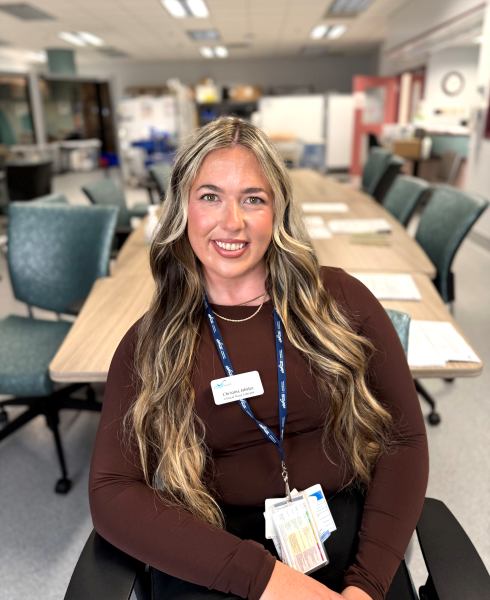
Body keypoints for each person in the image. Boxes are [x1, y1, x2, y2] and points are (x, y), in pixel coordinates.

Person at [89, 117, 429, 600]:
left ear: (278, 210)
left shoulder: (341, 300)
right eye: (210, 196)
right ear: (182, 208)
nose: (233, 221)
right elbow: (111, 491)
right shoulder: (152, 340)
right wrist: (270, 581)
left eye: (253, 198)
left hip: (344, 531)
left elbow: (405, 437)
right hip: (213, 544)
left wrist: (367, 585)